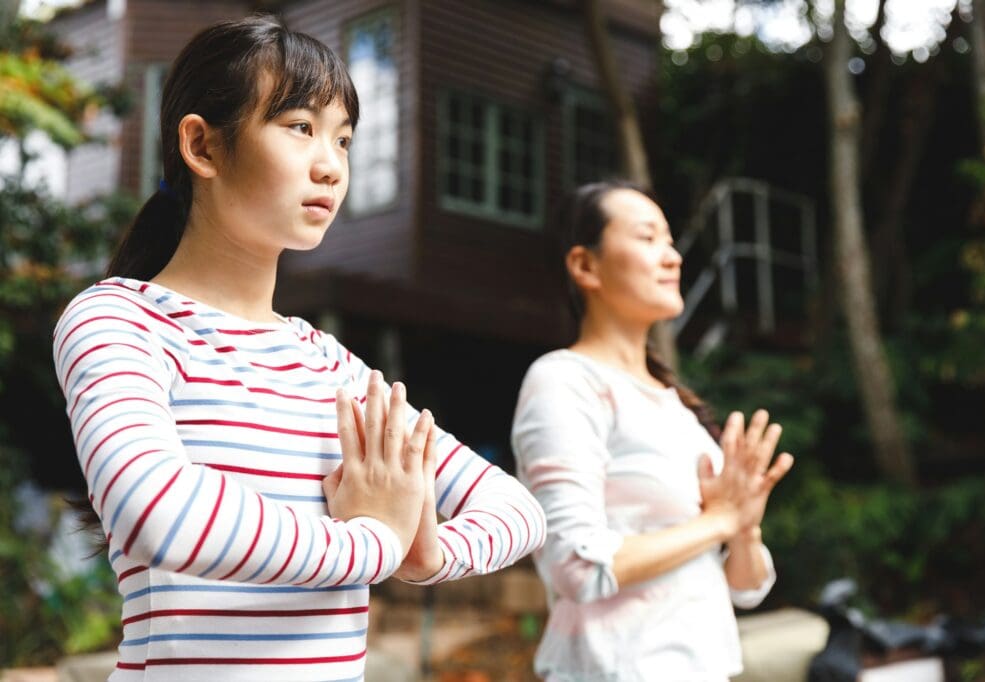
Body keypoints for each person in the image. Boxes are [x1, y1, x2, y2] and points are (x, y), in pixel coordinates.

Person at [51, 14, 545, 681]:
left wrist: (427, 553)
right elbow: (157, 513)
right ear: (202, 147)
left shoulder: (331, 367)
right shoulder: (121, 321)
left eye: (343, 139)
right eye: (299, 128)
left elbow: (517, 510)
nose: (330, 165)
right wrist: (375, 541)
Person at [510, 180, 795, 681]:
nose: (672, 257)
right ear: (585, 265)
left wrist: (745, 526)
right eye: (647, 238)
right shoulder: (564, 381)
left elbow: (746, 588)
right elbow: (576, 565)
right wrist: (720, 522)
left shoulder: (675, 405)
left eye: (670, 240)